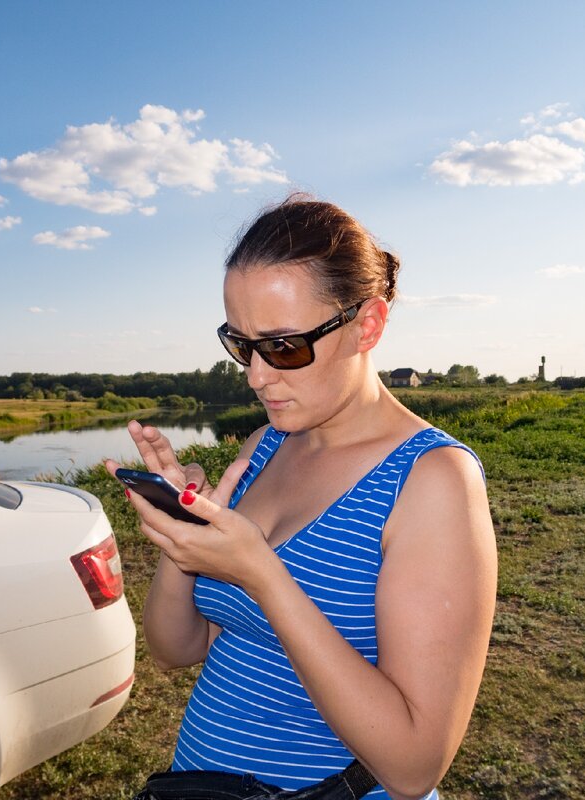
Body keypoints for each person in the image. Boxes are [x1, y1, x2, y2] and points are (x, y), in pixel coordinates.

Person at [107, 195, 496, 800]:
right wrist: (182, 538)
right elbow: (175, 650)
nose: (257, 376)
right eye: (241, 345)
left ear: (367, 325)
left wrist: (263, 575)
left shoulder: (429, 480)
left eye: (284, 346)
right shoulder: (265, 446)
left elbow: (415, 766)